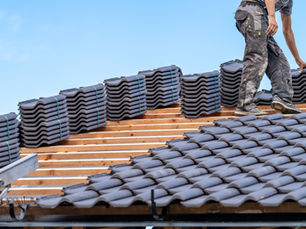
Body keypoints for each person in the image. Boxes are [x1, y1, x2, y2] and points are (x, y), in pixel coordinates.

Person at [234, 0, 306, 116]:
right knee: (257, 57)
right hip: (253, 11)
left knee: (279, 60)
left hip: (259, 16)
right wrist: (272, 17)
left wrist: (298, 59)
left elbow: (287, 31)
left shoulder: (288, 2)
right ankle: (244, 104)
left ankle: (282, 99)